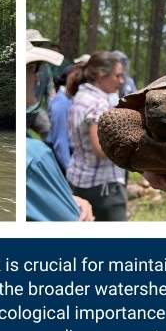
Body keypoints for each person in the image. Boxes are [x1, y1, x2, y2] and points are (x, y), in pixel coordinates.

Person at [26, 39, 93, 222]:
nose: (38, 77)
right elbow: (60, 143)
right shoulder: (36, 158)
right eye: (34, 69)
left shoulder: (65, 102)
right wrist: (66, 183)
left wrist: (67, 197)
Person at [66, 51, 128, 221]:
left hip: (77, 180)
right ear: (101, 75)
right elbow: (100, 149)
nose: (121, 81)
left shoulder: (80, 96)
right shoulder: (99, 104)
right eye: (118, 76)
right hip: (103, 189)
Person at [46, 65, 75, 170]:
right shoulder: (61, 102)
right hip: (60, 158)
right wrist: (69, 169)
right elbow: (60, 140)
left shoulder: (70, 100)